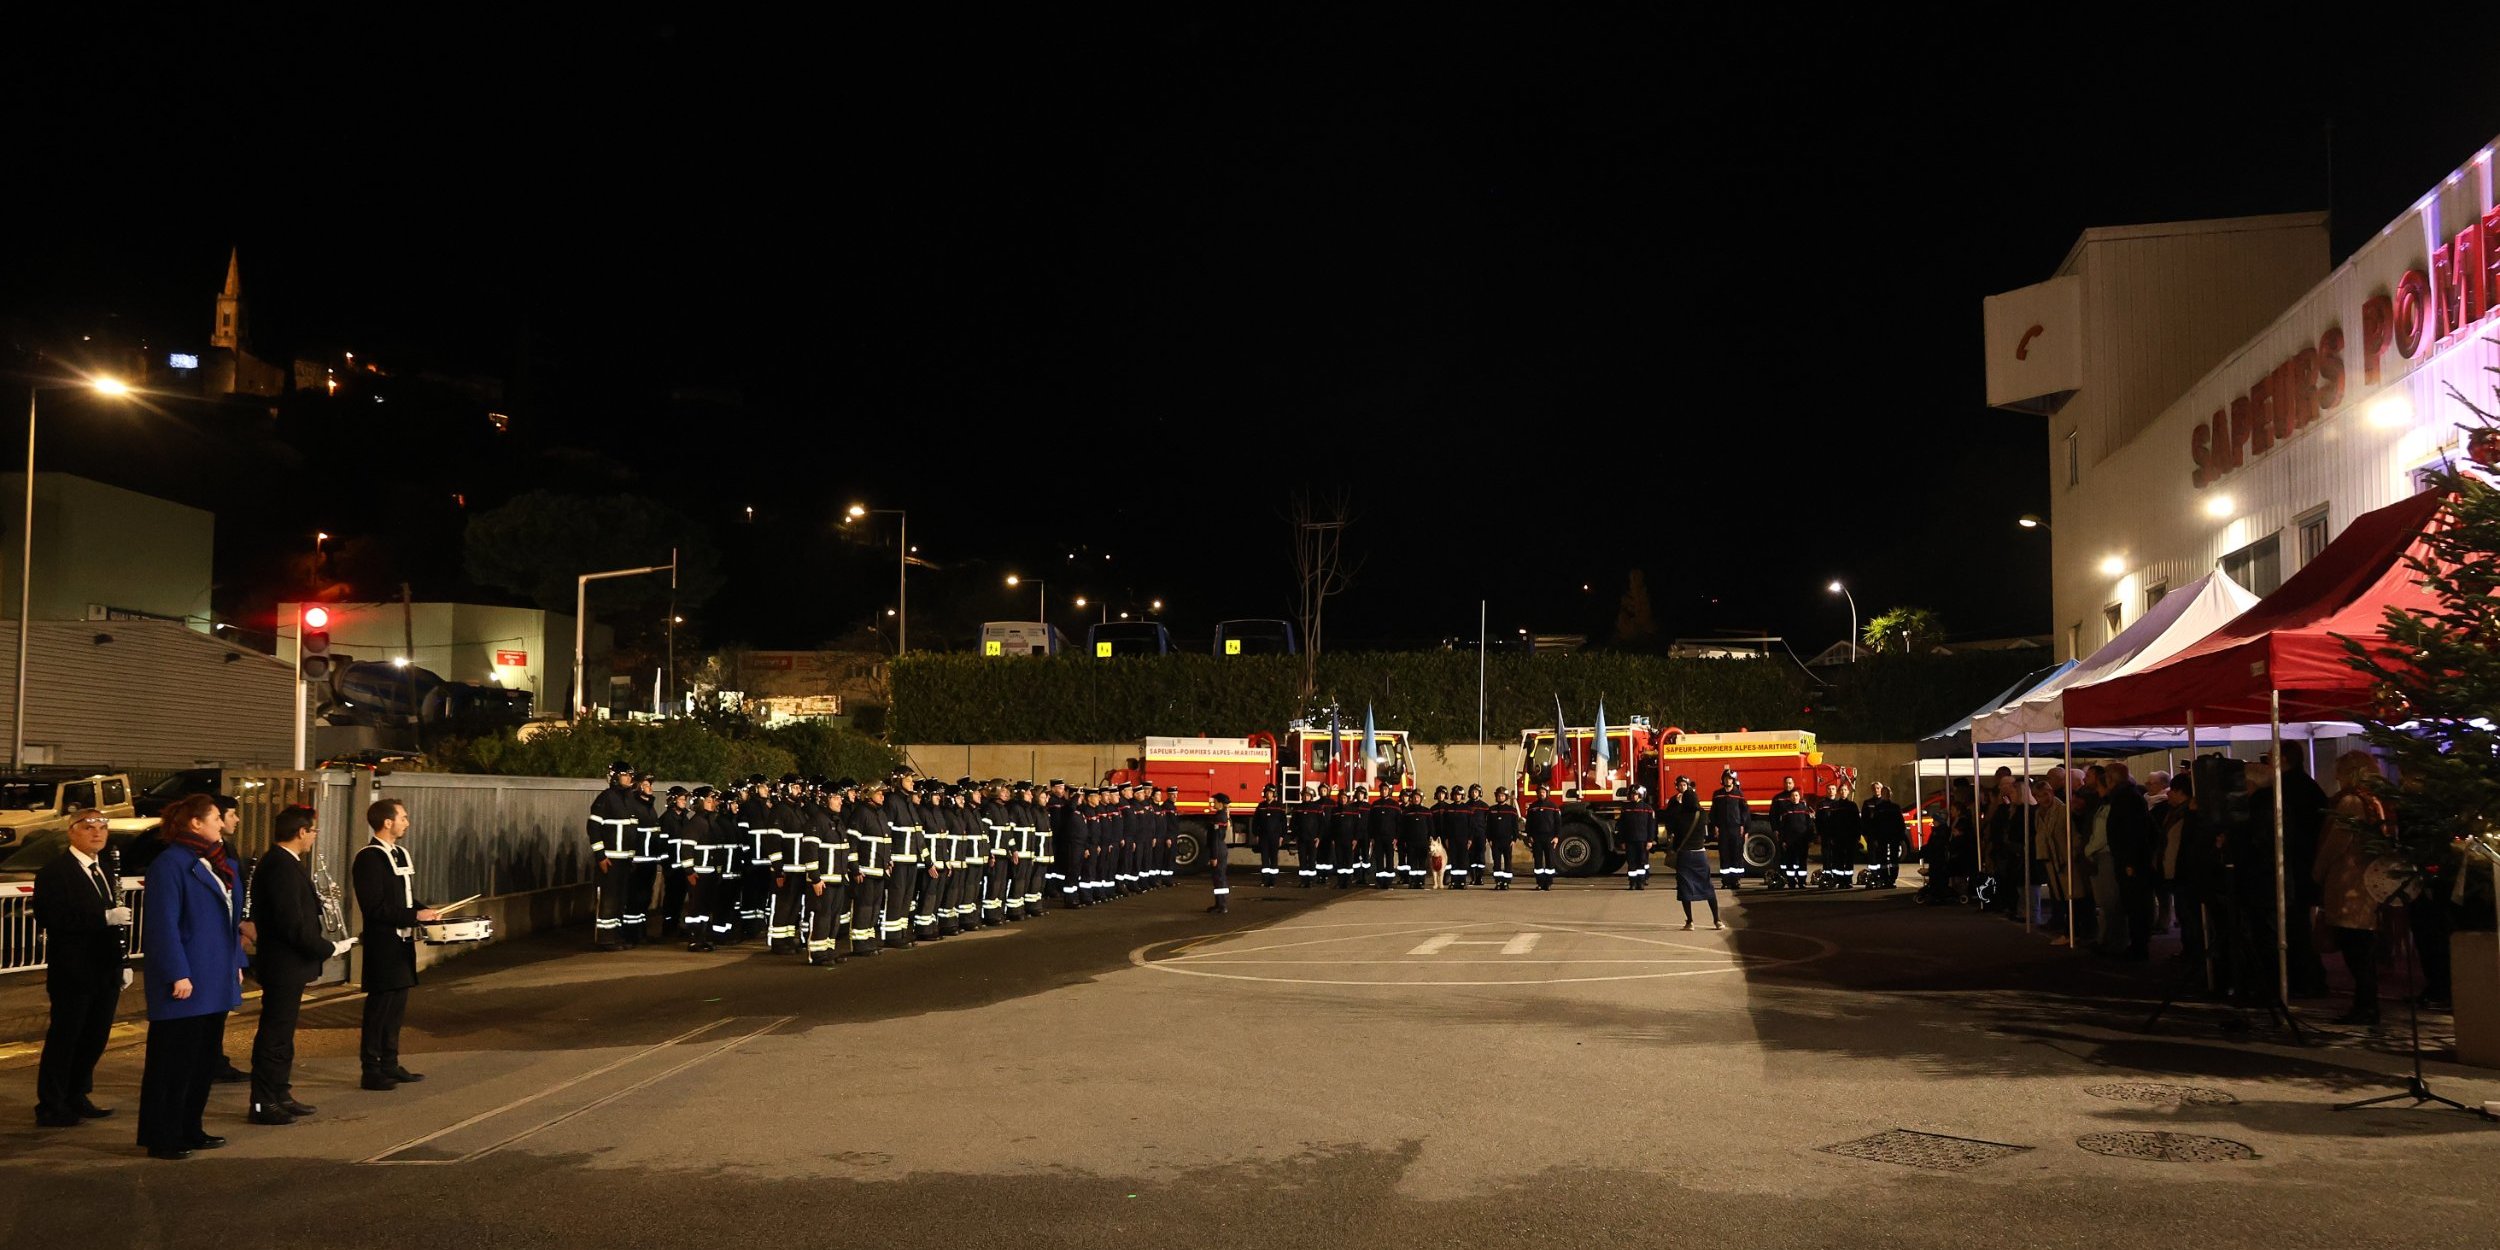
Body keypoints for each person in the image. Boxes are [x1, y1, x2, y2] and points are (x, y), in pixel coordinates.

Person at [135, 795, 245, 1159]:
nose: (223, 823)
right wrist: (177, 972)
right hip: (187, 980)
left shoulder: (218, 863)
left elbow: (231, 923)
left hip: (214, 975)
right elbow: (162, 925)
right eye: (216, 817)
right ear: (195, 823)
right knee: (173, 1062)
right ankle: (162, 1135)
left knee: (201, 1061)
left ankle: (189, 1127)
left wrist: (236, 962)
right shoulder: (170, 864)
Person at [243, 805, 353, 1125]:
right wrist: (325, 948)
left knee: (283, 1033)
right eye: (312, 832)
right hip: (283, 963)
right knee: (274, 1033)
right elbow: (291, 922)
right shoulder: (279, 865)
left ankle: (280, 1092)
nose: (314, 838)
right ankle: (264, 1101)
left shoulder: (287, 863)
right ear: (301, 832)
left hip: (290, 964)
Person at [32, 808, 132, 1129]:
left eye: (103, 827)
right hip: (74, 970)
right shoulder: (55, 872)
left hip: (105, 968)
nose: (98, 833)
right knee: (66, 1037)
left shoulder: (103, 868)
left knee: (95, 1036)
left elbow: (115, 924)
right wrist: (103, 918)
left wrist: (123, 961)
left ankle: (78, 1094)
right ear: (71, 831)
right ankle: (51, 1103)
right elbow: (53, 918)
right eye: (89, 827)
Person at [352, 798, 441, 1091]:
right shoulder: (369, 858)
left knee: (397, 1005)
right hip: (382, 944)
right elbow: (374, 907)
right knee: (380, 1006)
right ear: (387, 822)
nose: (407, 822)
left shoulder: (400, 854)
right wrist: (414, 915)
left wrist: (425, 911)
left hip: (403, 942)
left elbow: (404, 898)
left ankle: (390, 1063)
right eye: (403, 817)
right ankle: (371, 1069)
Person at [2317, 753, 2395, 1025]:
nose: (2336, 777)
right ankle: (2366, 1004)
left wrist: (2318, 871)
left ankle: (2365, 1006)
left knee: (2356, 950)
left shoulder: (2351, 802)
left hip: (2349, 882)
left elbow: (2336, 843)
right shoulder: (2374, 800)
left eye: (2340, 771)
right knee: (2363, 948)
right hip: (2366, 883)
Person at [585, 761, 642, 951]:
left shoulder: (630, 799)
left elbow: (631, 832)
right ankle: (605, 939)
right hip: (609, 860)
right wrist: (600, 856)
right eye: (626, 775)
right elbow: (593, 828)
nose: (629, 778)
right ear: (615, 777)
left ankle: (616, 936)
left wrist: (631, 857)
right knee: (608, 900)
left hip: (625, 861)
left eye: (630, 775)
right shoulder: (606, 798)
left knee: (620, 900)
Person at [1665, 777, 1720, 928]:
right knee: (1708, 887)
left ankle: (1690, 921)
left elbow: (1673, 830)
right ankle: (1717, 920)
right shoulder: (1702, 815)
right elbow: (1707, 834)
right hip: (1700, 855)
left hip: (1685, 855)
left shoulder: (1680, 817)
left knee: (1684, 888)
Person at [1860, 783, 1906, 889]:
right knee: (1883, 859)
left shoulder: (1895, 807)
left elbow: (1900, 823)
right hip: (1882, 837)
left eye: (1888, 793)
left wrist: (1900, 837)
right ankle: (1885, 879)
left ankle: (1892, 879)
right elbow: (1874, 824)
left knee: (1894, 860)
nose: (1886, 794)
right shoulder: (1878, 808)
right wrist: (1874, 837)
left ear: (1890, 794)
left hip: (1894, 837)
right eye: (1884, 792)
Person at [1817, 783, 1863, 889]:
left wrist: (1857, 836)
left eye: (1845, 790)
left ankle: (1848, 880)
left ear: (1848, 792)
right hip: (1838, 838)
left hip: (1850, 837)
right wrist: (1832, 837)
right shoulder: (1834, 806)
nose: (1843, 792)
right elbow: (1831, 823)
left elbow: (1857, 822)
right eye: (1841, 790)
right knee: (1839, 860)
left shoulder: (1852, 805)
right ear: (1839, 792)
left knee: (1849, 860)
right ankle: (1840, 881)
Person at [1710, 770, 1749, 890]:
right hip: (1722, 829)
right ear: (1723, 779)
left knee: (1736, 854)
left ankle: (1736, 880)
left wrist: (1744, 827)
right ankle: (1725, 880)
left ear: (1734, 780)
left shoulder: (1739, 794)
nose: (1728, 780)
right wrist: (1715, 826)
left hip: (1735, 828)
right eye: (1726, 778)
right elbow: (1713, 812)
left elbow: (1745, 811)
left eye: (1730, 779)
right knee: (1724, 854)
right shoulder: (1717, 794)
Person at [1618, 785, 1656, 889]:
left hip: (1642, 840)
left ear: (1640, 795)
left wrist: (1650, 840)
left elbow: (1651, 826)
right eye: (1631, 794)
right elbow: (1621, 826)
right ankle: (1632, 883)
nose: (1633, 796)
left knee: (1642, 862)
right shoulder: (1625, 809)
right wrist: (1622, 841)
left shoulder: (1647, 809)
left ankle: (1641, 882)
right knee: (1631, 862)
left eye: (1635, 794)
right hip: (1629, 840)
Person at [1525, 784, 1562, 889]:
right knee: (1538, 862)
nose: (1541, 793)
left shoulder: (1553, 807)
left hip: (1549, 838)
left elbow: (1558, 823)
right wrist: (1529, 836)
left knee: (1550, 861)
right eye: (1540, 792)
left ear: (1547, 793)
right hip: (1536, 838)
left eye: (1543, 792)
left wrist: (1556, 836)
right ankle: (1540, 883)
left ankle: (1548, 883)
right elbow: (1529, 823)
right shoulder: (1533, 807)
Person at [1251, 785, 1287, 889]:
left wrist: (1282, 836)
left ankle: (1273, 881)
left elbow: (1283, 823)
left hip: (1275, 837)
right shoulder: (1261, 806)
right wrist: (1256, 834)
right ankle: (1265, 880)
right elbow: (1255, 822)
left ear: (1274, 794)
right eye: (1267, 792)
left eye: (1270, 793)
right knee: (1264, 859)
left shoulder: (1279, 806)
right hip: (1263, 837)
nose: (1268, 794)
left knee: (1274, 859)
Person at [1205, 794, 1234, 913]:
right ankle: (1219, 903)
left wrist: (1214, 856)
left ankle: (1222, 905)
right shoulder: (1222, 816)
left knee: (1219, 878)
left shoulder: (1219, 817)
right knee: (1218, 878)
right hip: (1221, 848)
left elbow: (1215, 838)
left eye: (1215, 802)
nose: (1213, 804)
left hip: (1218, 849)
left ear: (1221, 804)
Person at [1485, 787, 1520, 889]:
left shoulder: (1512, 811)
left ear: (1506, 797)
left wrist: (1514, 840)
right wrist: (1489, 839)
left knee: (1508, 861)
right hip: (1495, 841)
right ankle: (1498, 881)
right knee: (1496, 862)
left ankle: (1506, 882)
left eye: (1502, 796)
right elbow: (1488, 826)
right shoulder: (1491, 810)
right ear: (1496, 796)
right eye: (1499, 795)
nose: (1500, 797)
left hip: (1507, 841)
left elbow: (1515, 827)